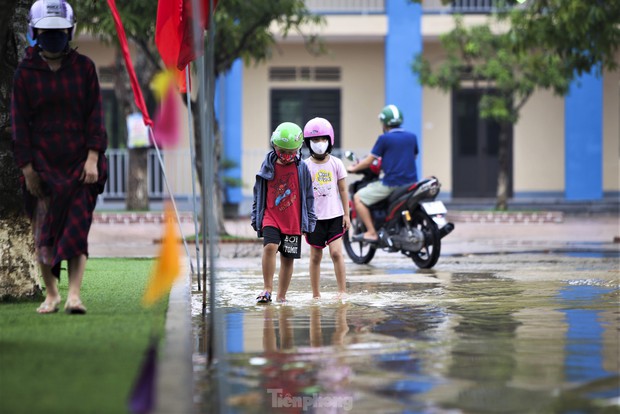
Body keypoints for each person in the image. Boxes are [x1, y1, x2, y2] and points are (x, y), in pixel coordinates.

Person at [11, 0, 108, 314]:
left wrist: (93, 159)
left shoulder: (84, 69)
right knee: (44, 233)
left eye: (59, 32)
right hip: (41, 166)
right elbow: (19, 123)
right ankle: (52, 294)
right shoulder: (26, 72)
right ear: (35, 32)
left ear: (70, 32)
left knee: (77, 230)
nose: (53, 38)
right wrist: (27, 169)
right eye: (47, 32)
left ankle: (74, 296)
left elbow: (95, 116)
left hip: (80, 165)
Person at [251, 122, 316, 304]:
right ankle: (267, 288)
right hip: (271, 215)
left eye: (291, 151)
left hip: (293, 220)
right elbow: (258, 191)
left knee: (287, 259)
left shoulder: (302, 168)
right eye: (282, 151)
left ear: (298, 148)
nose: (286, 156)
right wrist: (256, 214)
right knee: (270, 247)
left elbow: (309, 196)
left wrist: (309, 222)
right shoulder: (268, 164)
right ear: (274, 145)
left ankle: (281, 296)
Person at [346, 104, 418, 243]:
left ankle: (372, 232)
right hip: (411, 183)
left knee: (358, 198)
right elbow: (413, 157)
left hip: (392, 184)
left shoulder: (384, 139)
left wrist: (352, 168)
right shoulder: (412, 137)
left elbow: (368, 161)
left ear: (384, 123)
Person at [302, 117, 350, 300]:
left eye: (323, 139)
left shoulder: (336, 163)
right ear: (308, 142)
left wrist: (347, 214)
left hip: (335, 216)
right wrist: (303, 220)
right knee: (315, 257)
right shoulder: (305, 166)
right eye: (315, 140)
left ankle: (342, 291)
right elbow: (302, 195)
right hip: (314, 219)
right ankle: (316, 294)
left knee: (336, 253)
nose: (319, 143)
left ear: (330, 140)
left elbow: (343, 189)